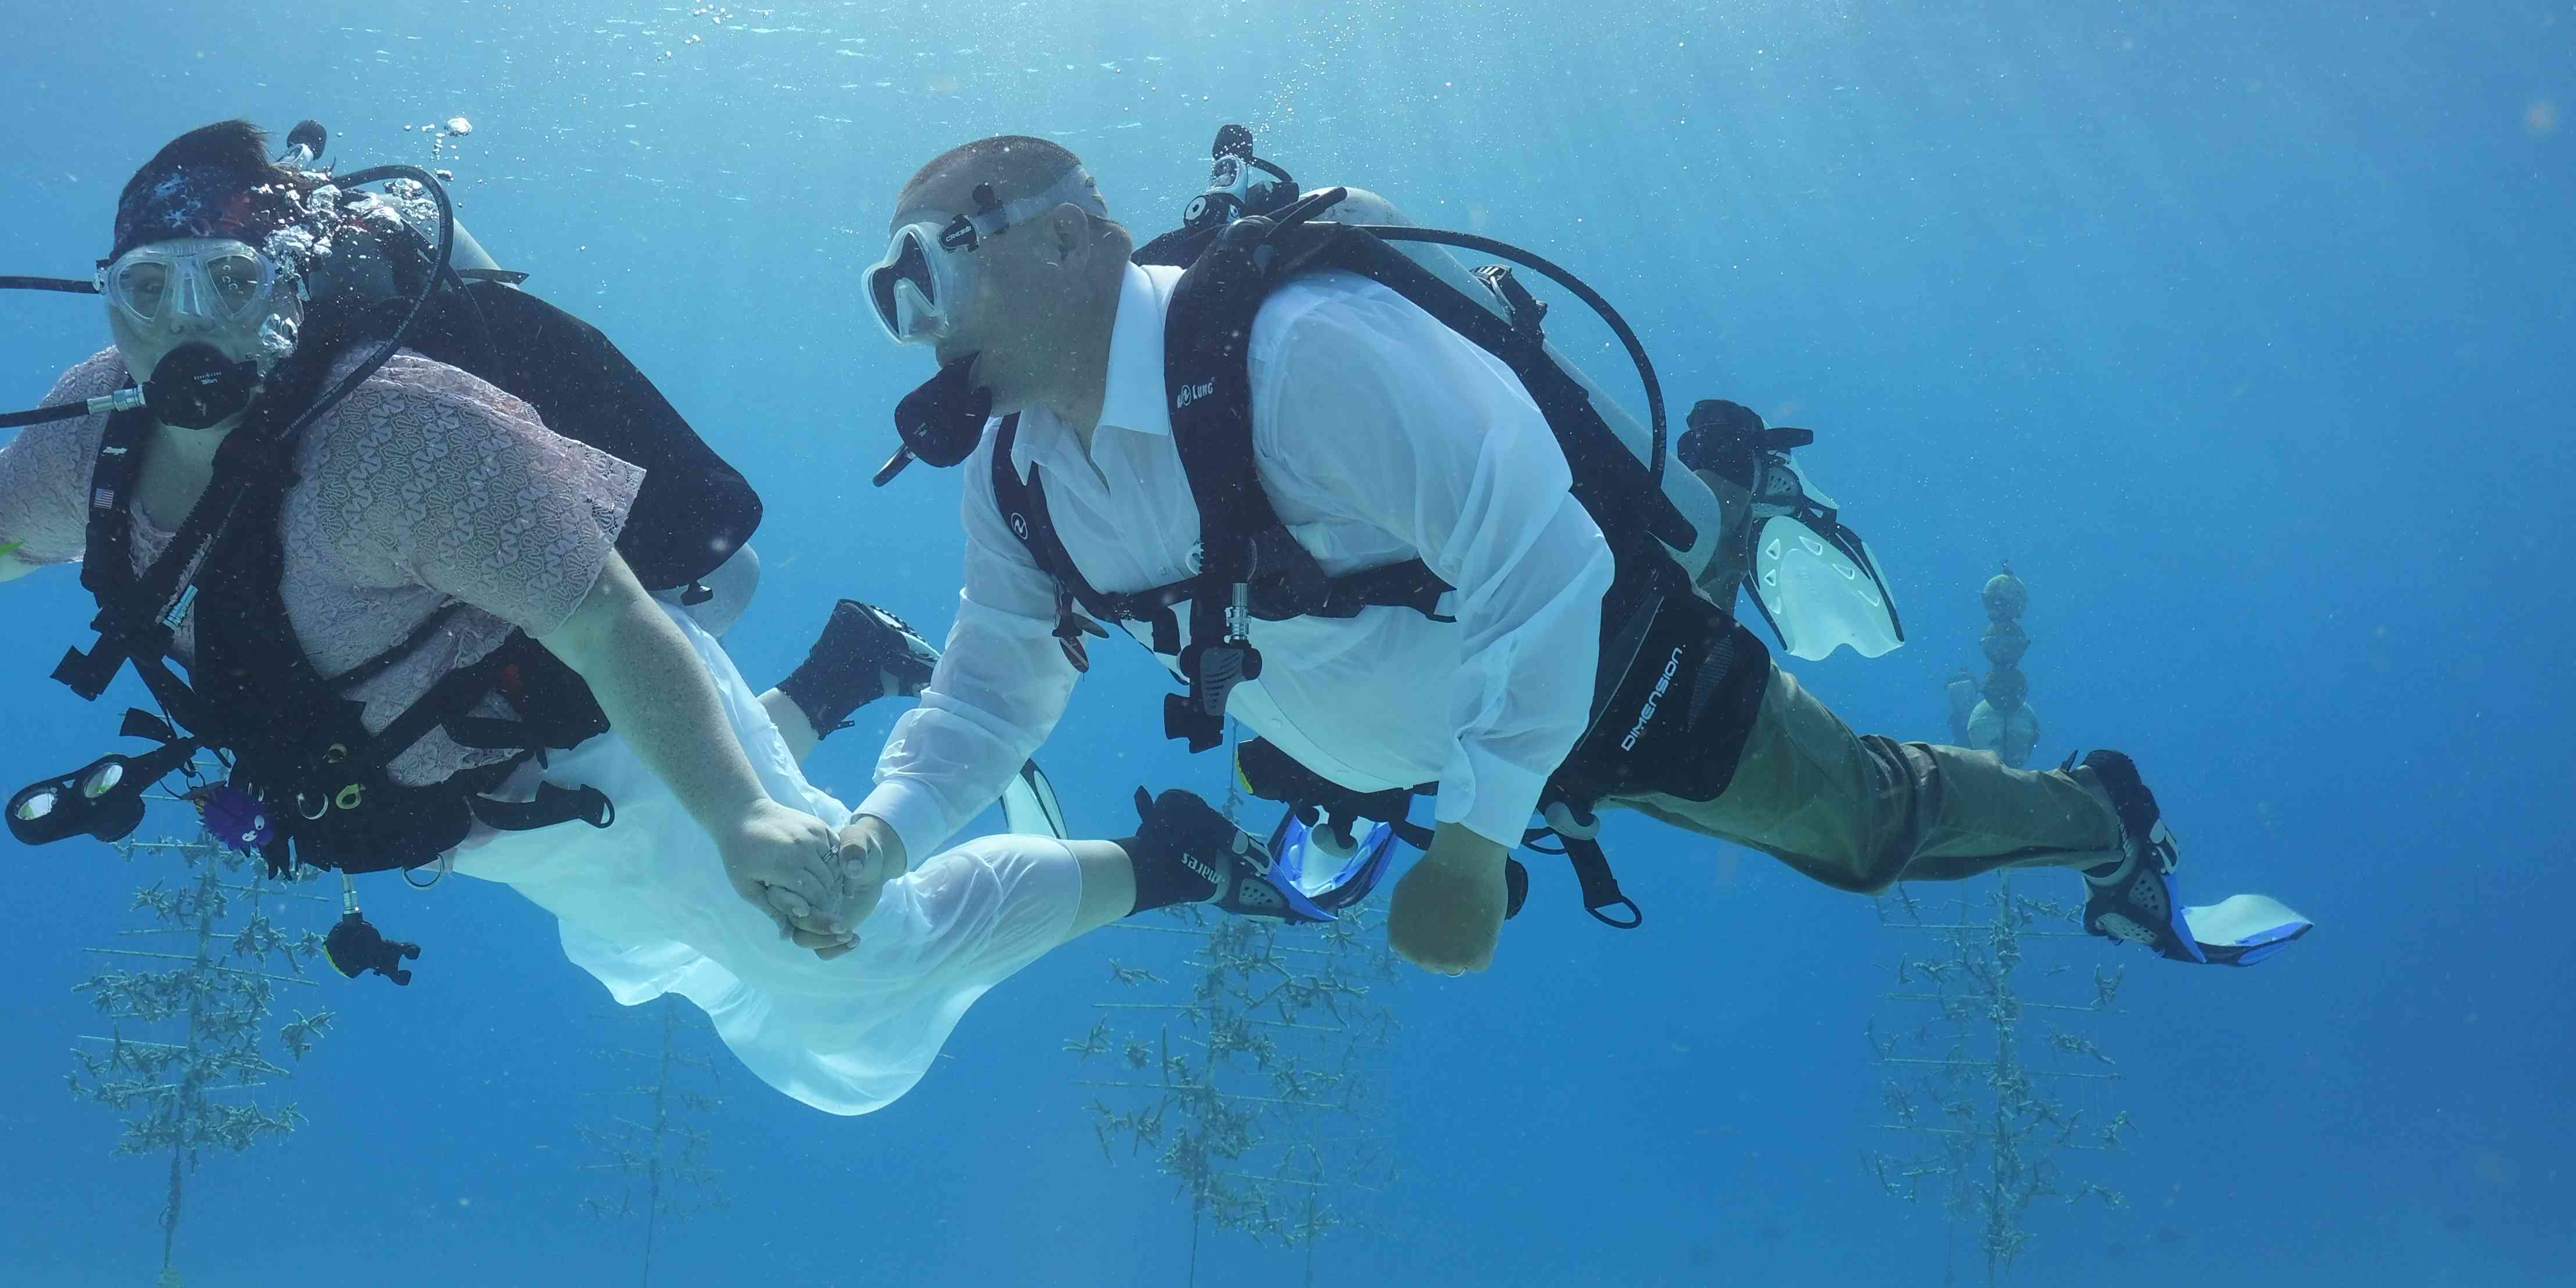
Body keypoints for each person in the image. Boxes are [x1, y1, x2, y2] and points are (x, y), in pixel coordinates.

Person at [0, 121, 1303, 1114]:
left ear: (283, 283)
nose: (178, 332)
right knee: (659, 969)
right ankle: (841, 680)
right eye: (140, 292)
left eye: (220, 281)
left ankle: (1165, 862)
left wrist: (749, 835)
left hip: (600, 760)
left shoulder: (416, 441)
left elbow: (625, 639)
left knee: (846, 969)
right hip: (491, 826)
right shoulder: (88, 432)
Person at [827, 133, 2313, 978]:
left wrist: (1476, 849)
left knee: (1858, 833)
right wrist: (877, 838)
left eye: (933, 273)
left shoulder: (1315, 362)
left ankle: (2101, 820)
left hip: (1602, 671)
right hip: (1366, 719)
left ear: (1081, 243)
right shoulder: (1023, 477)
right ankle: (1703, 510)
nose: (919, 324)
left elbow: (1544, 571)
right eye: (891, 297)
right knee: (1294, 728)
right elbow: (989, 691)